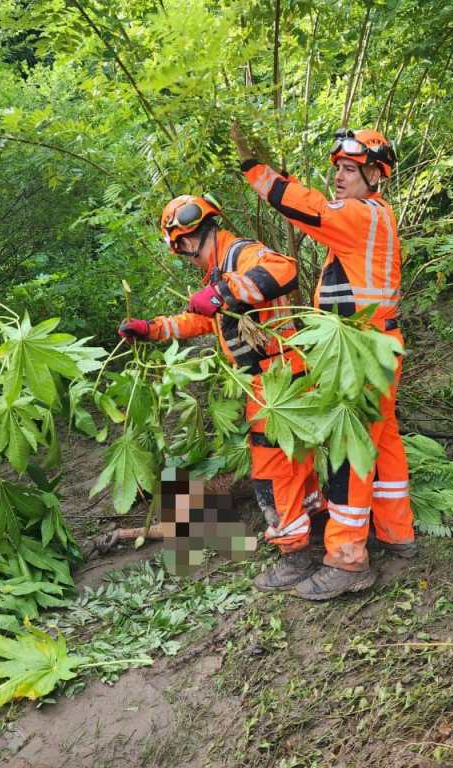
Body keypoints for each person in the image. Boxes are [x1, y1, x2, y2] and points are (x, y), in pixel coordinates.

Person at [233, 126, 416, 601]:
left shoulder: (360, 216)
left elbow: (307, 208)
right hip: (375, 347)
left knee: (347, 454)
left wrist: (258, 171)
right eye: (337, 168)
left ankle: (348, 559)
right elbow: (314, 216)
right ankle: (398, 533)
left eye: (350, 170)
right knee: (384, 440)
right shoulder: (369, 218)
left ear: (376, 175)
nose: (339, 177)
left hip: (360, 353)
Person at [118, 194, 324, 591]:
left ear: (189, 238)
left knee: (270, 470)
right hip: (272, 378)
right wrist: (152, 328)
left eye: (182, 249)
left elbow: (284, 270)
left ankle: (296, 554)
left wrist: (223, 293)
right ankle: (313, 524)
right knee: (296, 463)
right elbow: (199, 321)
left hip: (277, 375)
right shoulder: (218, 271)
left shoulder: (241, 255)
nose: (185, 258)